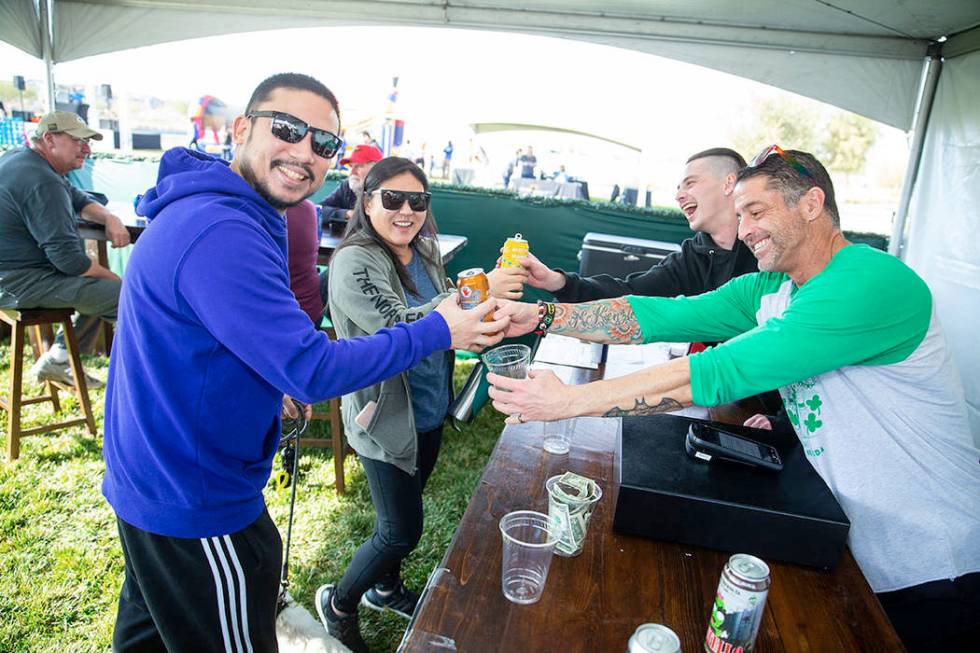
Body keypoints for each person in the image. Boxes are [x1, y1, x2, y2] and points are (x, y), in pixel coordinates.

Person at [487, 147, 980, 653]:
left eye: (758, 212)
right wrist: (544, 316)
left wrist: (569, 402)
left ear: (812, 204)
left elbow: (719, 373)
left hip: (934, 563)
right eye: (741, 214)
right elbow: (657, 316)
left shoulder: (872, 281)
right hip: (849, 536)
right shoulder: (774, 286)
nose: (744, 230)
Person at [102, 73, 507, 652]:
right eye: (288, 129)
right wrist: (442, 329)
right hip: (198, 499)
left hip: (152, 480)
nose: (305, 153)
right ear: (242, 128)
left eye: (324, 144)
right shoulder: (222, 228)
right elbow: (312, 368)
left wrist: (269, 384)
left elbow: (215, 340)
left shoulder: (215, 211)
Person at [314, 157, 451, 651]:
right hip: (385, 419)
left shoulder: (427, 251)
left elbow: (450, 312)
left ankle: (386, 589)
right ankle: (339, 602)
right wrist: (461, 307)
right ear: (366, 200)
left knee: (404, 511)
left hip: (428, 409)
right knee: (400, 532)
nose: (406, 210)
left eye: (418, 201)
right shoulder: (353, 260)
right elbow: (396, 326)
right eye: (392, 198)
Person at [520, 148, 757, 303]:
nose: (679, 196)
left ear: (729, 183)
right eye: (678, 188)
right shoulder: (693, 256)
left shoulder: (768, 248)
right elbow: (629, 292)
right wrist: (556, 281)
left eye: (690, 184)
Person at [0, 111, 130, 388]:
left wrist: (109, 218)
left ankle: (58, 358)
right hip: (16, 281)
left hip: (13, 275)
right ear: (49, 139)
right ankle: (137, 383)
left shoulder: (23, 159)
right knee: (127, 297)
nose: (86, 148)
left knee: (97, 284)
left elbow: (75, 196)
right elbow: (69, 262)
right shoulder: (41, 179)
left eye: (87, 142)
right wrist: (114, 279)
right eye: (77, 141)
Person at [319, 143, 383, 225]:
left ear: (376, 169)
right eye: (351, 166)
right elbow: (320, 210)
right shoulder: (348, 185)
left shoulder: (384, 190)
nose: (352, 172)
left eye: (359, 166)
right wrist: (346, 214)